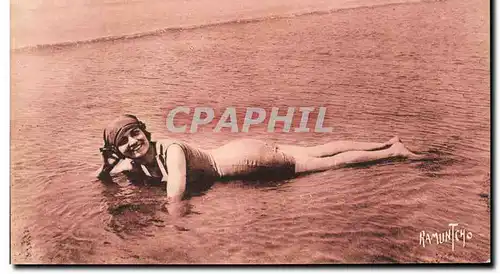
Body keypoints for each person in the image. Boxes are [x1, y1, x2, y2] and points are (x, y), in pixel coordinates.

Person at [97, 114, 421, 204]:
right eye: (123, 142)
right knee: (318, 149)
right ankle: (386, 143)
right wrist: (106, 168)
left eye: (135, 133)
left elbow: (176, 196)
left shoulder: (171, 151)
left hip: (245, 161)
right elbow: (104, 180)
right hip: (240, 148)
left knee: (325, 162)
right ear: (117, 150)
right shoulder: (138, 162)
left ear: (145, 132)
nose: (132, 142)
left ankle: (393, 152)